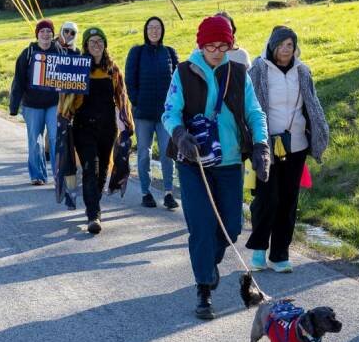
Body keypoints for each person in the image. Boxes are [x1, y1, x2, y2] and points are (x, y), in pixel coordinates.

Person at [162, 16, 269, 320]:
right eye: (211, 45)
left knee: (231, 227)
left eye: (224, 45)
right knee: (201, 226)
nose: (217, 51)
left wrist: (261, 146)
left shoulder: (238, 72)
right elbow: (169, 112)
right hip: (192, 161)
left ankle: (209, 261)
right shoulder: (183, 72)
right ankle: (204, 291)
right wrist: (180, 134)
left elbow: (255, 112)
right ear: (200, 44)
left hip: (230, 161)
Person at [245, 26, 329, 273]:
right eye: (281, 44)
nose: (285, 49)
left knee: (288, 201)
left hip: (296, 145)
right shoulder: (258, 69)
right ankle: (259, 249)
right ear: (272, 46)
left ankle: (280, 254)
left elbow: (312, 104)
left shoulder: (302, 71)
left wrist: (318, 133)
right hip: (265, 146)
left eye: (290, 45)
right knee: (267, 198)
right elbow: (249, 106)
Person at [59, 27, 134, 235]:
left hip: (107, 127)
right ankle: (93, 215)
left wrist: (127, 124)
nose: (96, 45)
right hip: (83, 127)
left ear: (105, 45)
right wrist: (63, 119)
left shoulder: (112, 69)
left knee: (102, 171)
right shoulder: (78, 68)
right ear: (85, 46)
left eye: (99, 41)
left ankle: (94, 204)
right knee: (90, 168)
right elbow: (66, 98)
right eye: (92, 42)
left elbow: (122, 97)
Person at [125, 16, 180, 210]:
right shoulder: (137, 52)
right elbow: (130, 81)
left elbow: (178, 83)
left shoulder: (170, 53)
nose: (154, 31)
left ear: (162, 30)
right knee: (144, 154)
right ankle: (145, 192)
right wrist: (137, 102)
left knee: (167, 153)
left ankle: (168, 193)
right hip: (143, 114)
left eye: (157, 27)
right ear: (145, 30)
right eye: (151, 28)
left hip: (166, 115)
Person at [10, 19, 72, 186]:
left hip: (54, 103)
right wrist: (14, 106)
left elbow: (71, 74)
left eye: (49, 32)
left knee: (55, 138)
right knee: (35, 141)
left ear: (53, 35)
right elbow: (18, 80)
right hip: (31, 104)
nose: (45, 34)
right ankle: (37, 175)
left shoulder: (60, 52)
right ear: (37, 34)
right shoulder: (28, 53)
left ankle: (59, 176)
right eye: (42, 31)